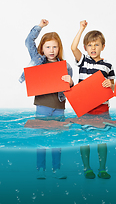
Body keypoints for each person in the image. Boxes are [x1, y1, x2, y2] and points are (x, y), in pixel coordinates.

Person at [19, 19, 73, 179]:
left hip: (59, 106)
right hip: (43, 105)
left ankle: (57, 168)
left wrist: (70, 81)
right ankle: (40, 168)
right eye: (48, 47)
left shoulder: (66, 65)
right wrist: (40, 27)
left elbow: (70, 88)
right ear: (42, 48)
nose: (51, 50)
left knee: (57, 140)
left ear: (59, 48)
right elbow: (29, 41)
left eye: (55, 47)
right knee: (41, 137)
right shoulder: (39, 60)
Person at [71, 20, 115, 179]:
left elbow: (114, 86)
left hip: (102, 108)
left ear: (103, 46)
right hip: (84, 108)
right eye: (90, 45)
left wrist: (110, 83)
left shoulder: (108, 66)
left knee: (102, 140)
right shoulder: (83, 61)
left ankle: (103, 168)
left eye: (96, 45)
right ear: (85, 48)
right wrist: (81, 29)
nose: (93, 48)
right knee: (85, 138)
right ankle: (87, 168)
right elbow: (73, 48)